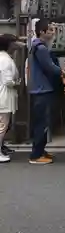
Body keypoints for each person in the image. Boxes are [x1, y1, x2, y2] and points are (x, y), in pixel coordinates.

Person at [28, 19, 65, 165]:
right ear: (42, 32)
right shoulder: (41, 48)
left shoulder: (37, 46)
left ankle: (40, 150)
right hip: (42, 90)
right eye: (50, 30)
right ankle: (36, 155)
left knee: (43, 122)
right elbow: (49, 67)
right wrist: (62, 72)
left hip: (41, 89)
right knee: (42, 123)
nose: (52, 32)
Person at [0, 34, 21, 163]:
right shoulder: (5, 60)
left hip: (3, 95)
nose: (17, 45)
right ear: (9, 44)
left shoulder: (4, 57)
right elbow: (8, 81)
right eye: (14, 42)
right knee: (2, 126)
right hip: (4, 96)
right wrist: (17, 82)